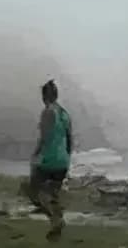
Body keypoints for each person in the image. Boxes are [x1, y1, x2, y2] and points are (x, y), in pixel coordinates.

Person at [28, 79, 72, 240]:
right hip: (63, 160)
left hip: (49, 159)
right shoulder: (64, 114)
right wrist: (67, 157)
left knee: (33, 191)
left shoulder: (48, 112)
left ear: (43, 96)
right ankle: (56, 225)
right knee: (53, 194)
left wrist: (35, 156)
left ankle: (56, 219)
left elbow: (45, 138)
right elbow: (70, 139)